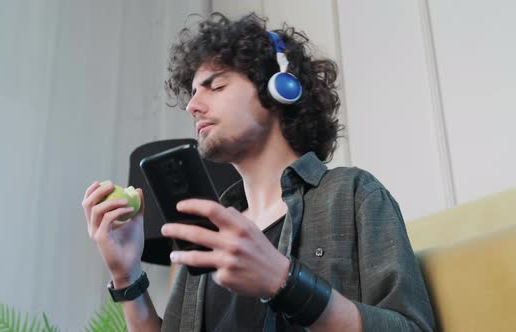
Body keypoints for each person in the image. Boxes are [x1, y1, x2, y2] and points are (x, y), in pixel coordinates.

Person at [81, 12, 435, 332]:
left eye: (216, 86)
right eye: (191, 94)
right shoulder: (210, 232)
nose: (192, 106)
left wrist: (285, 282)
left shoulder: (352, 194)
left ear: (280, 88)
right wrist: (126, 276)